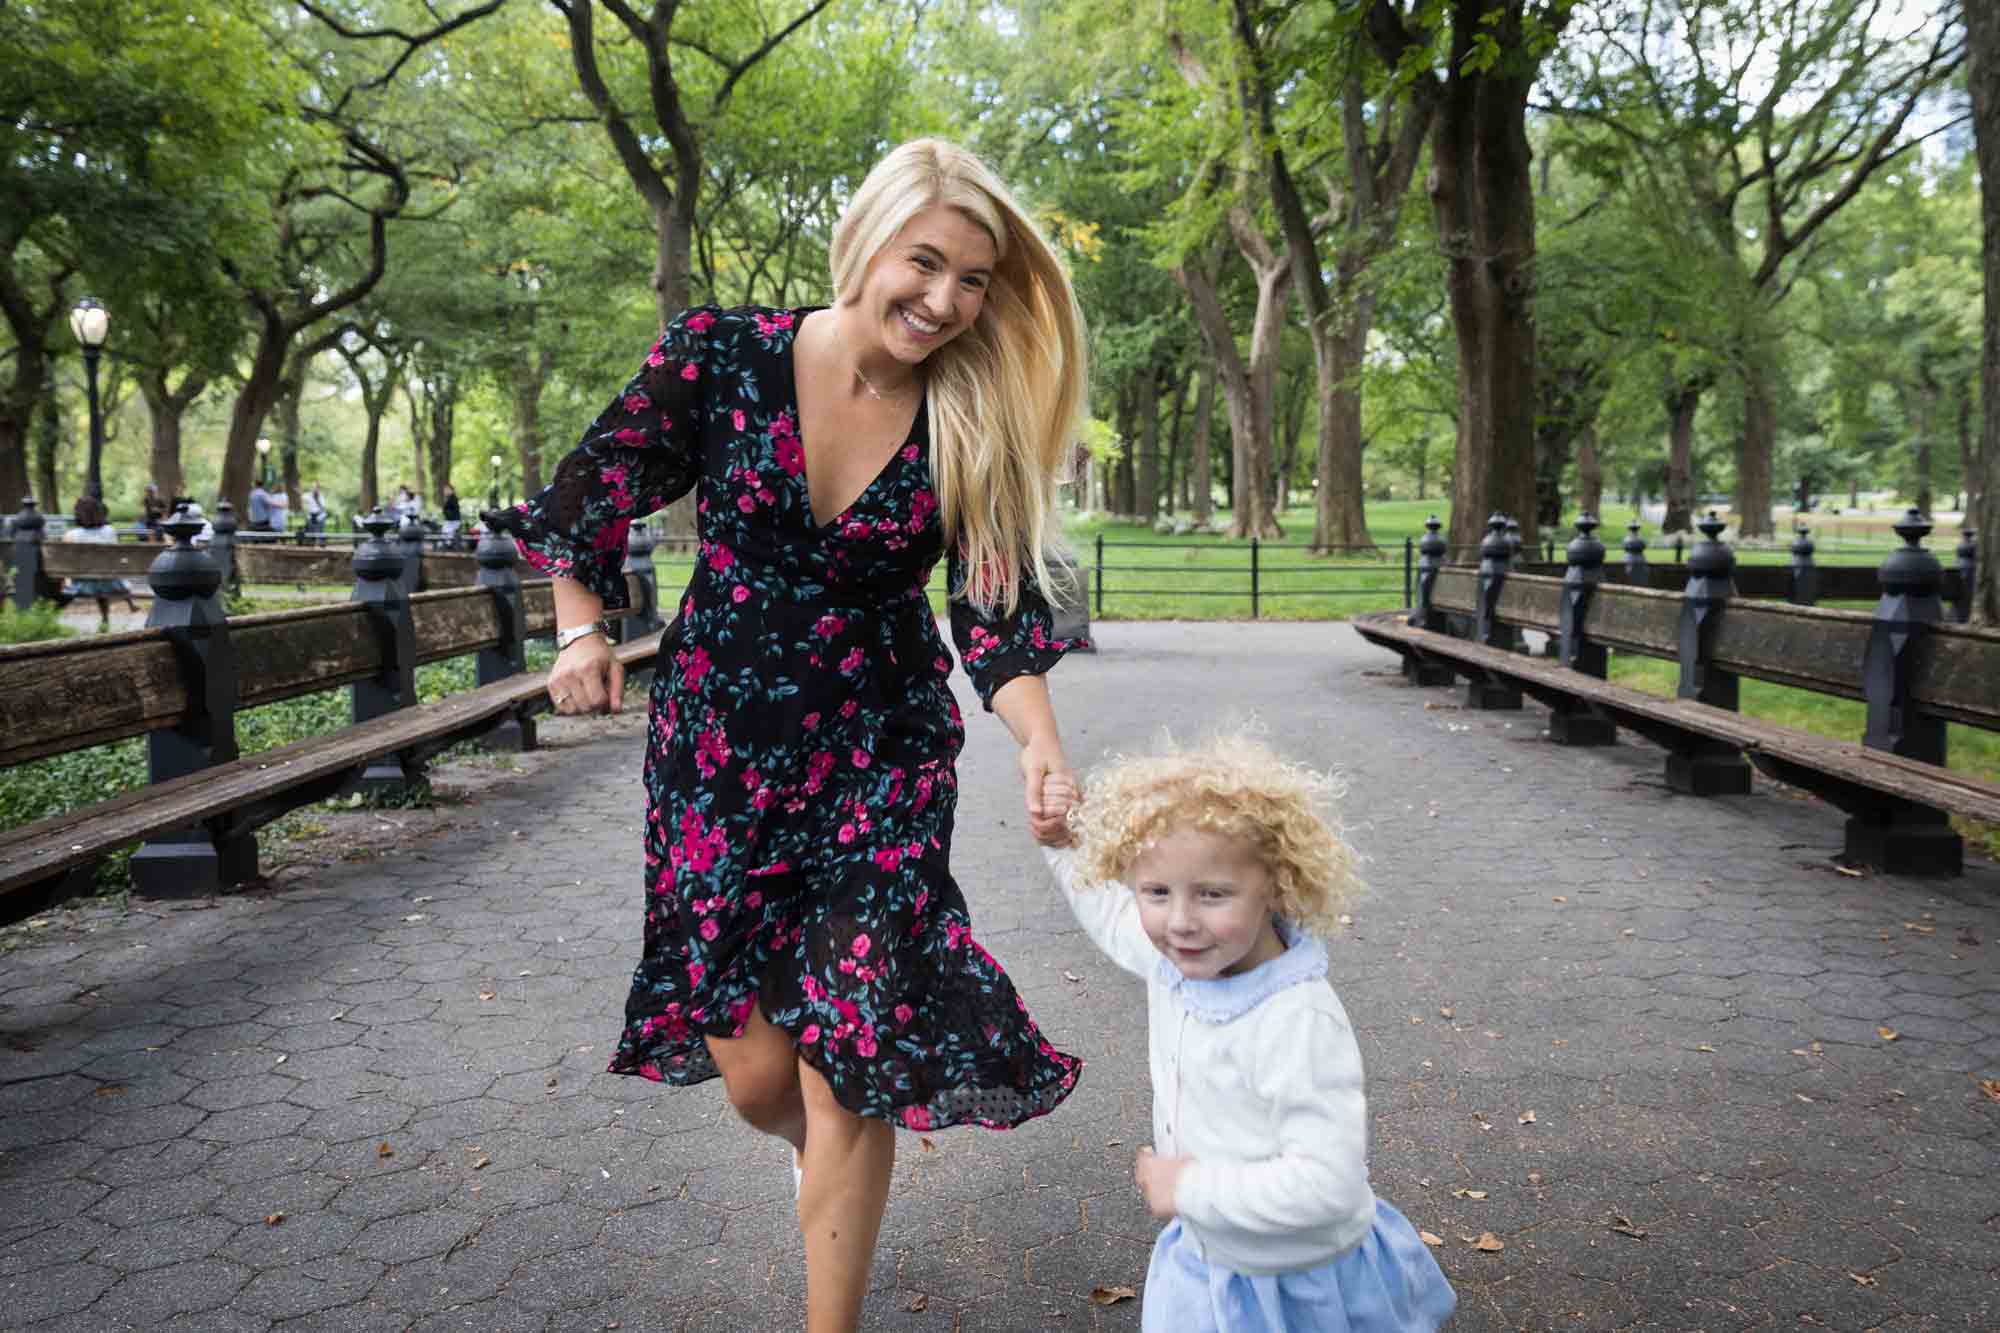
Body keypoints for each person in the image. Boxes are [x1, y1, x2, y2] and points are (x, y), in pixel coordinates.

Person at [487, 137, 1090, 1333]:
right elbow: (591, 488)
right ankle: (816, 1155)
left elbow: (993, 607)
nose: (944, 300)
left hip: (882, 755)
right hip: (718, 752)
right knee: (761, 1075)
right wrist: (576, 631)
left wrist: (1037, 740)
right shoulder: (722, 357)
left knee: (846, 1055)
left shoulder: (968, 416)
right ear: (866, 240)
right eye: (925, 263)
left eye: (972, 280)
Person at [1038, 734, 1457, 1333]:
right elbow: (1110, 915)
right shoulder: (1177, 960)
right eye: (1156, 891)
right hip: (1210, 1257)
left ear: (1278, 887)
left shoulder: (1295, 1019)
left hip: (1297, 1280)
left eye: (1213, 894)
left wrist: (1190, 1188)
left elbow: (1328, 1185)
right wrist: (1061, 845)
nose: (1179, 921)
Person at [61, 495, 140, 630]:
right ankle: (106, 618)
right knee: (101, 575)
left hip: (83, 585)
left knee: (92, 576)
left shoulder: (71, 535)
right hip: (111, 584)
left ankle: (51, 613)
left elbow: (65, 560)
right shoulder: (110, 531)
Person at [439, 483, 462, 549]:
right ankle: (447, 544)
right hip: (449, 521)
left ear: (451, 490)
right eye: (444, 490)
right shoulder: (448, 499)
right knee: (445, 533)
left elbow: (453, 510)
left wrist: (446, 512)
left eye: (447, 490)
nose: (445, 491)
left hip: (453, 521)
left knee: (448, 534)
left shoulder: (453, 499)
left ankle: (448, 545)